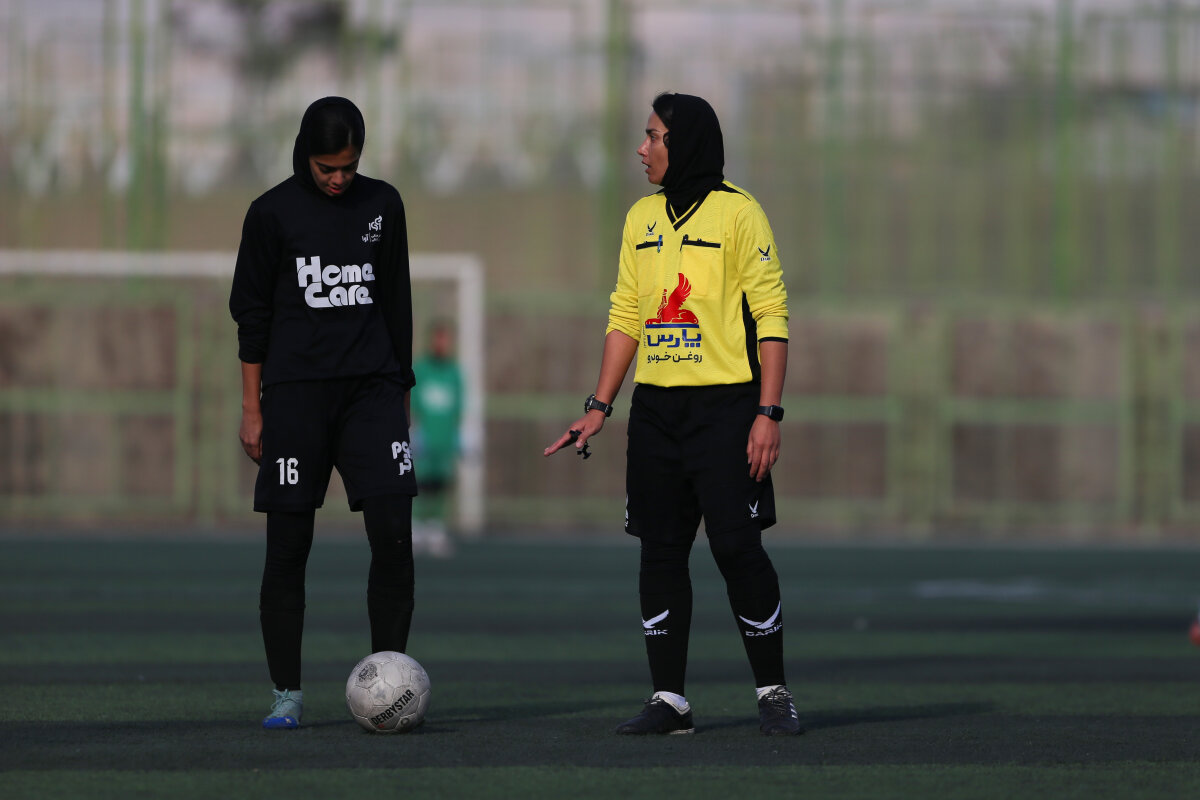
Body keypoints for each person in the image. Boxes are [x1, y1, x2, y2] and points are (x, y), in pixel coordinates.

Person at [544, 92, 800, 736]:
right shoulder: (640, 218)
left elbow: (771, 314)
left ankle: (773, 693)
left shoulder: (740, 213)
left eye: (654, 136)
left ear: (683, 144)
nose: (642, 148)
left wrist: (768, 412)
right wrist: (598, 406)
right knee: (660, 552)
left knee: (737, 548)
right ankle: (670, 702)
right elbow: (626, 313)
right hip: (656, 411)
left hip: (727, 409)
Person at [229, 96, 418, 730]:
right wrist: (252, 407)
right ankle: (287, 694)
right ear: (304, 155)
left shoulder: (384, 205)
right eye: (326, 167)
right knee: (289, 546)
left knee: (394, 538)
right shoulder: (270, 213)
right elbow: (252, 317)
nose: (338, 178)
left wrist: (401, 396)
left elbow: (397, 303)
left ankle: (389, 687)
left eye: (348, 166)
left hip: (373, 393)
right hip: (296, 396)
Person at [410, 319, 465, 557]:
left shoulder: (454, 372)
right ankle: (415, 527)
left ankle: (436, 527)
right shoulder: (421, 369)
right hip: (424, 439)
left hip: (445, 439)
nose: (442, 343)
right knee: (419, 483)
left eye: (445, 339)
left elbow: (459, 405)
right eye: (438, 338)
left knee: (441, 484)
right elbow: (412, 402)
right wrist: (414, 430)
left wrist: (460, 434)